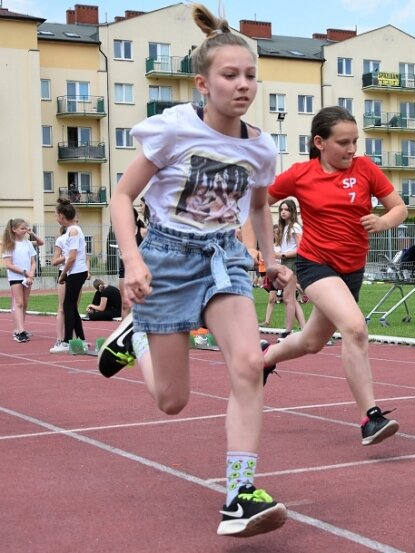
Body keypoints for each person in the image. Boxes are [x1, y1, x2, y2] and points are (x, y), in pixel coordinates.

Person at [96, 4, 290, 538]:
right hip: (164, 258)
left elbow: (257, 206)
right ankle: (134, 337)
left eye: (250, 75)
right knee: (172, 401)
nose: (243, 84)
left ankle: (239, 494)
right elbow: (121, 196)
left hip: (223, 256)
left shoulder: (261, 146)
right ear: (203, 83)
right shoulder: (172, 130)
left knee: (250, 364)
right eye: (230, 75)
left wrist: (269, 259)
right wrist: (132, 260)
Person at [260, 105, 408, 446]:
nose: (352, 149)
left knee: (312, 341)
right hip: (316, 265)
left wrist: (383, 221)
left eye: (355, 141)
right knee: (355, 328)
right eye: (343, 142)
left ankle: (264, 359)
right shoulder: (300, 174)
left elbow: (398, 208)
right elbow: (258, 203)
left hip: (352, 269)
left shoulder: (366, 169)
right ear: (320, 142)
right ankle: (370, 417)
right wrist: (260, 252)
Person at [2, 218, 43, 342]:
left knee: (25, 303)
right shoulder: (9, 244)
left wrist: (31, 274)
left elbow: (33, 261)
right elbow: (9, 264)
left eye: (26, 228)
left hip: (27, 277)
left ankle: (20, 328)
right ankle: (20, 331)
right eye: (22, 228)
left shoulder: (28, 243)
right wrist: (25, 272)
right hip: (16, 277)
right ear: (14, 229)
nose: (25, 230)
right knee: (19, 303)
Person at [56, 199, 90, 345]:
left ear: (62, 216)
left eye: (56, 215)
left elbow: (72, 257)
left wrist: (62, 275)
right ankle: (81, 339)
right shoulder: (72, 230)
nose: (56, 218)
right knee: (71, 307)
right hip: (76, 272)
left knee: (67, 306)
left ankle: (67, 340)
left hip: (77, 272)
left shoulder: (74, 231)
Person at [275, 199, 306, 340]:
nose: (283, 212)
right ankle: (305, 329)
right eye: (281, 209)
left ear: (292, 212)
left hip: (291, 262)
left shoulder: (295, 227)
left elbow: (300, 249)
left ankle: (288, 330)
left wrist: (282, 254)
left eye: (286, 209)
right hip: (284, 262)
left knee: (287, 299)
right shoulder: (284, 227)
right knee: (290, 298)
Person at [118, 198, 149, 317]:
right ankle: (125, 333)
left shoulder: (143, 231)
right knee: (125, 304)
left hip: (139, 271)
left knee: (140, 304)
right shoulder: (123, 232)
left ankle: (141, 333)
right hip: (124, 270)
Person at [49, 226, 70, 352]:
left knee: (73, 308)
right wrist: (66, 257)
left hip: (77, 274)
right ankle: (59, 339)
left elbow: (86, 257)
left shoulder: (79, 237)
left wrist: (87, 271)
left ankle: (73, 339)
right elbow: (54, 261)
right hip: (64, 273)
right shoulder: (61, 240)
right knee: (62, 307)